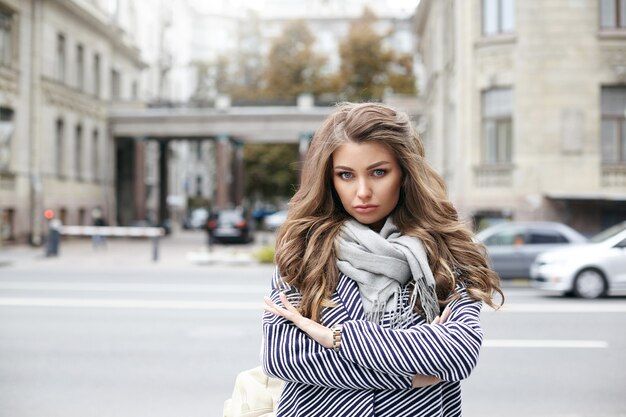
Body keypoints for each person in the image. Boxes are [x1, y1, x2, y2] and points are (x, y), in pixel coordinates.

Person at [261, 102, 504, 417]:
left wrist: (337, 338)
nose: (362, 191)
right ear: (329, 180)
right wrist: (411, 374)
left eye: (378, 172)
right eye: (346, 175)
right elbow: (284, 356)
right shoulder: (305, 249)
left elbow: (458, 353)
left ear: (404, 173)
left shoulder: (445, 251)